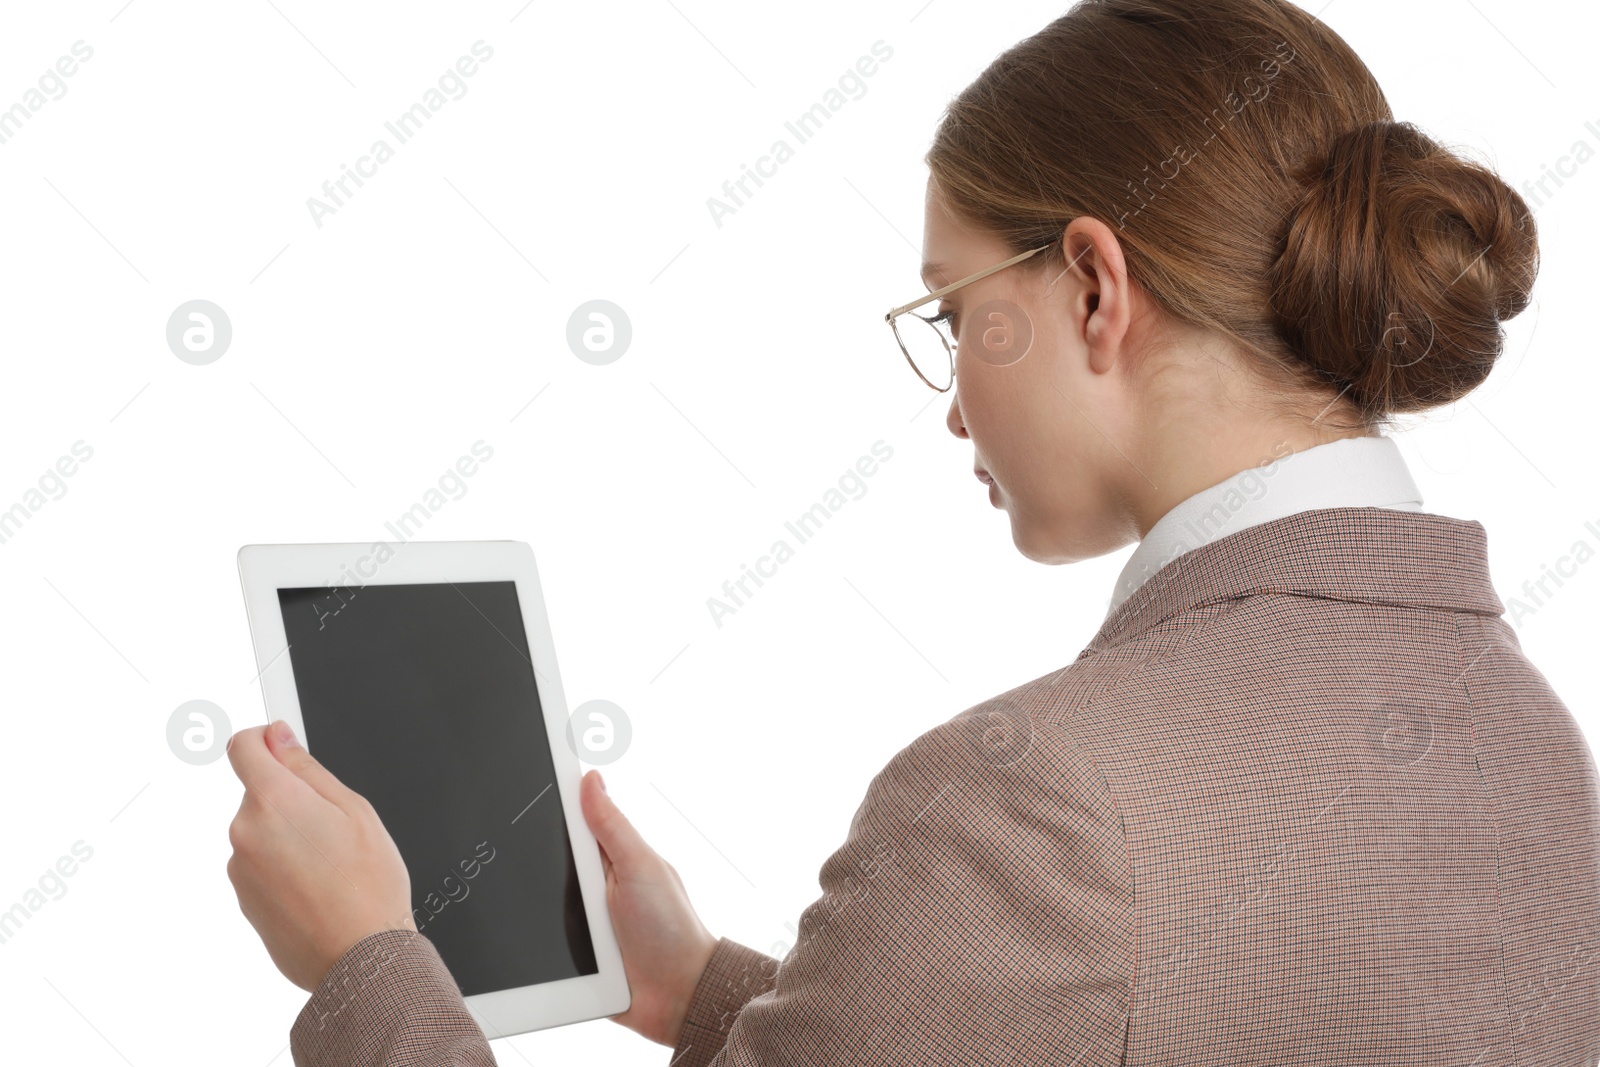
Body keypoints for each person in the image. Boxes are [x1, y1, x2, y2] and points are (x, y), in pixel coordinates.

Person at [225, 0, 1600, 1063]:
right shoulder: (1533, 737)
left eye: (954, 316)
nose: (953, 406)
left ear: (1091, 287)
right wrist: (700, 993)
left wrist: (365, 965)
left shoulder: (1034, 801)